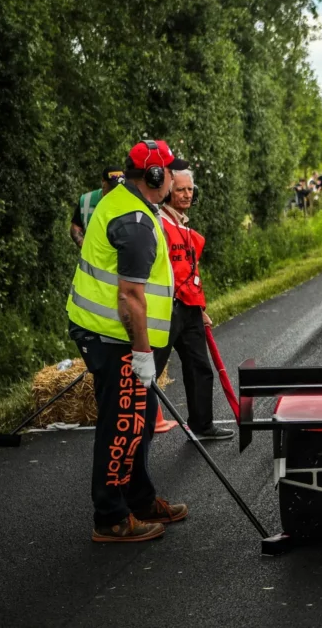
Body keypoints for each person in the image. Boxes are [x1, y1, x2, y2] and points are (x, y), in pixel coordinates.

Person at [66, 139, 190, 543]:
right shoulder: (135, 223)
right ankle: (111, 517)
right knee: (122, 423)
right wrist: (141, 353)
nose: (174, 176)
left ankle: (139, 498)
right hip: (112, 335)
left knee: (141, 414)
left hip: (111, 332)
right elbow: (130, 297)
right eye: (170, 170)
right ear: (156, 176)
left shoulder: (129, 202)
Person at [154, 167, 234, 440]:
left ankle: (202, 425)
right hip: (165, 309)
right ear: (167, 192)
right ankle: (135, 432)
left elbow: (191, 272)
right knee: (149, 372)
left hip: (189, 309)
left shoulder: (185, 227)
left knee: (200, 367)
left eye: (190, 190)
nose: (186, 195)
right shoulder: (160, 224)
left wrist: (200, 308)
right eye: (180, 190)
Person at [70, 166, 126, 248]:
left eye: (119, 187)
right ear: (103, 182)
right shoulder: (87, 200)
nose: (115, 191)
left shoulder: (128, 201)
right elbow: (76, 226)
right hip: (90, 258)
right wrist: (82, 243)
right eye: (112, 187)